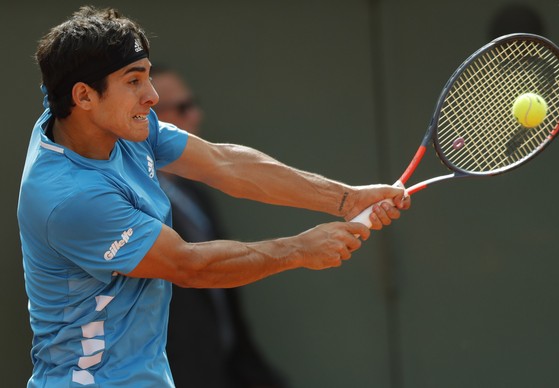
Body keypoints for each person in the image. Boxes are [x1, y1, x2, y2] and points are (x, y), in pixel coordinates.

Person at [17, 6, 410, 388]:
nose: (152, 96)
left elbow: (224, 164)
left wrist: (345, 199)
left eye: (147, 77)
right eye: (133, 81)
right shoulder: (71, 199)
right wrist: (300, 249)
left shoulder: (97, 119)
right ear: (84, 96)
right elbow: (190, 265)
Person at [151, 65, 286, 387]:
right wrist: (302, 249)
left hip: (226, 368)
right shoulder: (126, 200)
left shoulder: (193, 193)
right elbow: (190, 267)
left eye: (193, 103)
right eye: (182, 108)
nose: (195, 116)